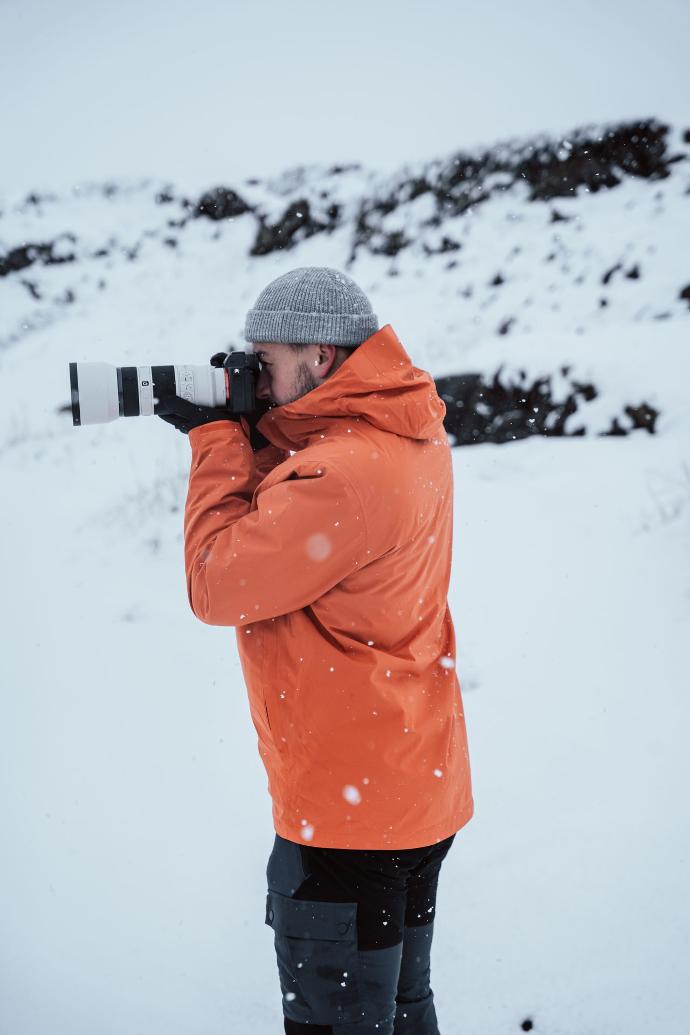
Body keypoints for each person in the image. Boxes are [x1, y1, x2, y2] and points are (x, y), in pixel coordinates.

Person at [157, 267, 474, 1034]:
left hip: (346, 816)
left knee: (338, 1025)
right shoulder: (405, 435)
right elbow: (308, 499)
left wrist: (214, 437)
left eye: (267, 363)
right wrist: (253, 425)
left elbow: (216, 582)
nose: (255, 379)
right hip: (411, 787)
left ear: (322, 358)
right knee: (397, 1009)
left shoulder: (345, 474)